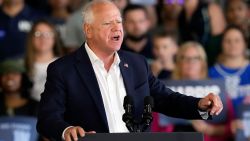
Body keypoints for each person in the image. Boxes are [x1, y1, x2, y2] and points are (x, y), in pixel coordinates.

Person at [36, 1, 223, 141]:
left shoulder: (136, 63)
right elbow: (47, 118)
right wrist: (66, 130)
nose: (117, 27)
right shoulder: (63, 69)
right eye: (108, 23)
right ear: (88, 30)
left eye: (119, 21)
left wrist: (199, 104)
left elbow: (165, 98)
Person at [209, 25, 250, 140]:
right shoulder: (211, 72)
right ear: (222, 44)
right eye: (228, 41)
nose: (233, 44)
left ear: (244, 44)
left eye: (237, 40)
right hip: (221, 130)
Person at [25, 19, 62, 101]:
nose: (43, 38)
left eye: (48, 34)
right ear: (31, 38)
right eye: (38, 34)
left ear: (54, 38)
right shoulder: (23, 65)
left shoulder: (65, 65)